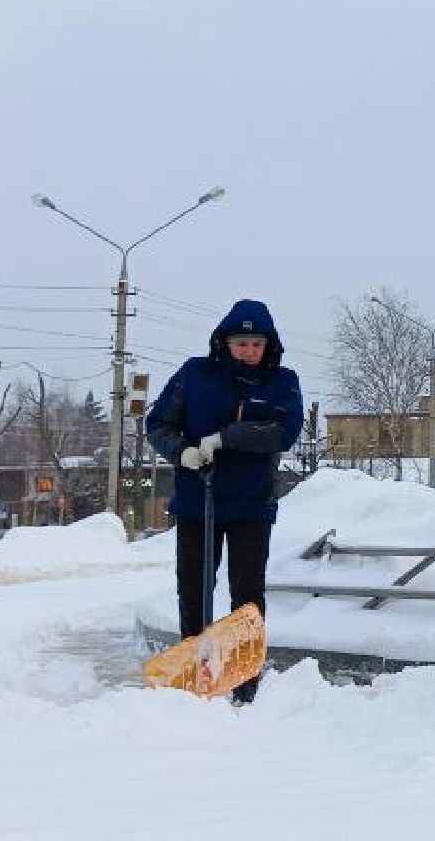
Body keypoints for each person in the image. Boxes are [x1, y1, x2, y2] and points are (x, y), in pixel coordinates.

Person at [144, 299, 304, 705]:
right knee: (195, 589)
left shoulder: (283, 382)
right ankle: (195, 673)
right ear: (224, 342)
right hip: (199, 500)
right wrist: (181, 452)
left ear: (269, 345)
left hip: (251, 505)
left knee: (247, 593)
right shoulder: (195, 374)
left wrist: (226, 437)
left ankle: (244, 678)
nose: (249, 351)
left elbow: (282, 433)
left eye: (256, 343)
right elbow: (158, 423)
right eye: (240, 343)